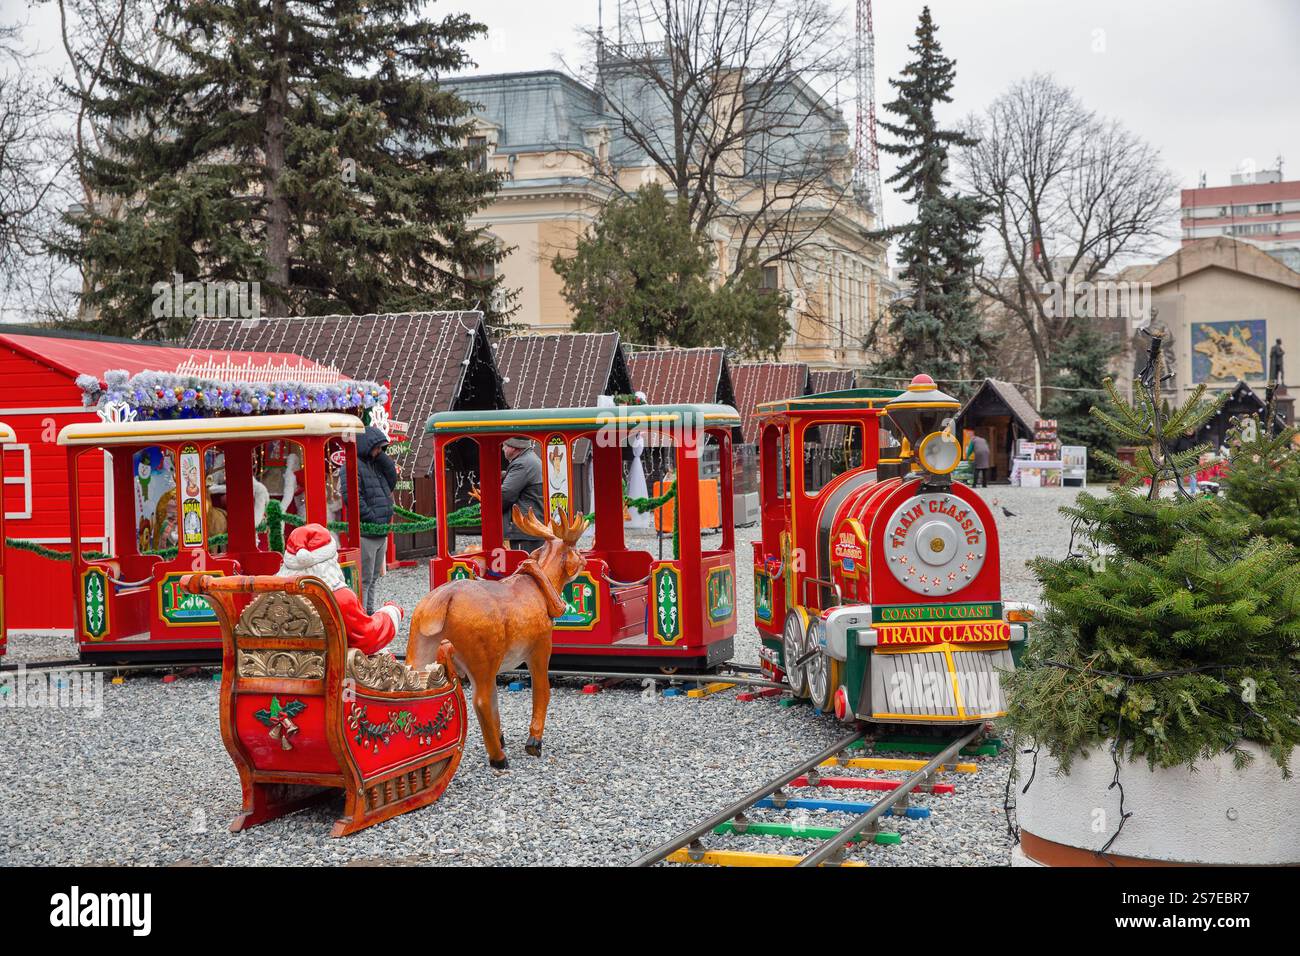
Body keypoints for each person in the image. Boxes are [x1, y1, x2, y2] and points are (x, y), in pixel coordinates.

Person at [277, 523, 404, 654]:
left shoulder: (273, 593)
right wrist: (390, 612)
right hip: (330, 667)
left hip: (279, 664)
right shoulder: (339, 596)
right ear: (329, 561)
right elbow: (366, 638)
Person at [341, 426, 398, 613]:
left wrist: (381, 455)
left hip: (379, 531)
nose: (379, 452)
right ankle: (362, 614)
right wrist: (372, 519)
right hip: (367, 532)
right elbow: (352, 497)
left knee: (373, 577)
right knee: (364, 579)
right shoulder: (351, 465)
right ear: (366, 446)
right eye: (377, 448)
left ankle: (369, 611)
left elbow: (391, 479)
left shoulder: (375, 464)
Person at [500, 437, 546, 551]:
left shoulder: (522, 464)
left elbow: (506, 495)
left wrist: (487, 505)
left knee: (523, 565)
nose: (502, 448)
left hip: (525, 530)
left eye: (505, 445)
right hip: (532, 528)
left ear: (514, 447)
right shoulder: (530, 459)